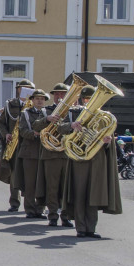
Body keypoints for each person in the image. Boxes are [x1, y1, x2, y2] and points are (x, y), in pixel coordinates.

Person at [58, 86, 123, 238]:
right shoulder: (74, 113)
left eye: (91, 98)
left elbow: (108, 140)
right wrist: (71, 126)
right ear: (82, 100)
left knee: (93, 194)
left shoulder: (104, 117)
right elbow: (60, 128)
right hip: (79, 160)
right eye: (87, 99)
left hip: (96, 159)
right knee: (80, 194)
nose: (89, 101)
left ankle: (91, 228)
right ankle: (81, 227)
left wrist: (107, 141)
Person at [35, 83, 74, 228]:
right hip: (50, 154)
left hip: (67, 153)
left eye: (63, 94)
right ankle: (52, 216)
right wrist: (47, 119)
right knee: (52, 188)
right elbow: (36, 126)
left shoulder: (72, 111)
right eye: (57, 94)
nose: (59, 96)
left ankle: (66, 216)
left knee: (66, 188)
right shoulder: (46, 111)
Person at [0, 79, 34, 213]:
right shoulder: (10, 104)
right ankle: (14, 202)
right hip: (14, 144)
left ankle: (30, 204)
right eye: (22, 88)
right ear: (18, 90)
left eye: (28, 88)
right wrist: (5, 134)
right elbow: (1, 123)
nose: (25, 90)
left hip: (29, 144)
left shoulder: (35, 105)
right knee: (14, 174)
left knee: (30, 174)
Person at [14, 88, 48, 218]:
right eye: (37, 98)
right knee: (30, 183)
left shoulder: (47, 114)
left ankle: (40, 209)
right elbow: (22, 130)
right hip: (30, 152)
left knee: (42, 182)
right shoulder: (26, 113)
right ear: (32, 100)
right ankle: (29, 209)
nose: (40, 101)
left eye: (42, 99)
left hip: (44, 151)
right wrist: (33, 134)